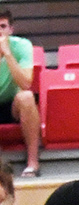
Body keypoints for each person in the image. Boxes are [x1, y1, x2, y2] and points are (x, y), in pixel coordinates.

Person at [0, 10, 39, 177]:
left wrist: (7, 54)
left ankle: (33, 162)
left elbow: (25, 83)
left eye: (2, 26)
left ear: (11, 29)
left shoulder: (22, 45)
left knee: (27, 97)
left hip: (11, 104)